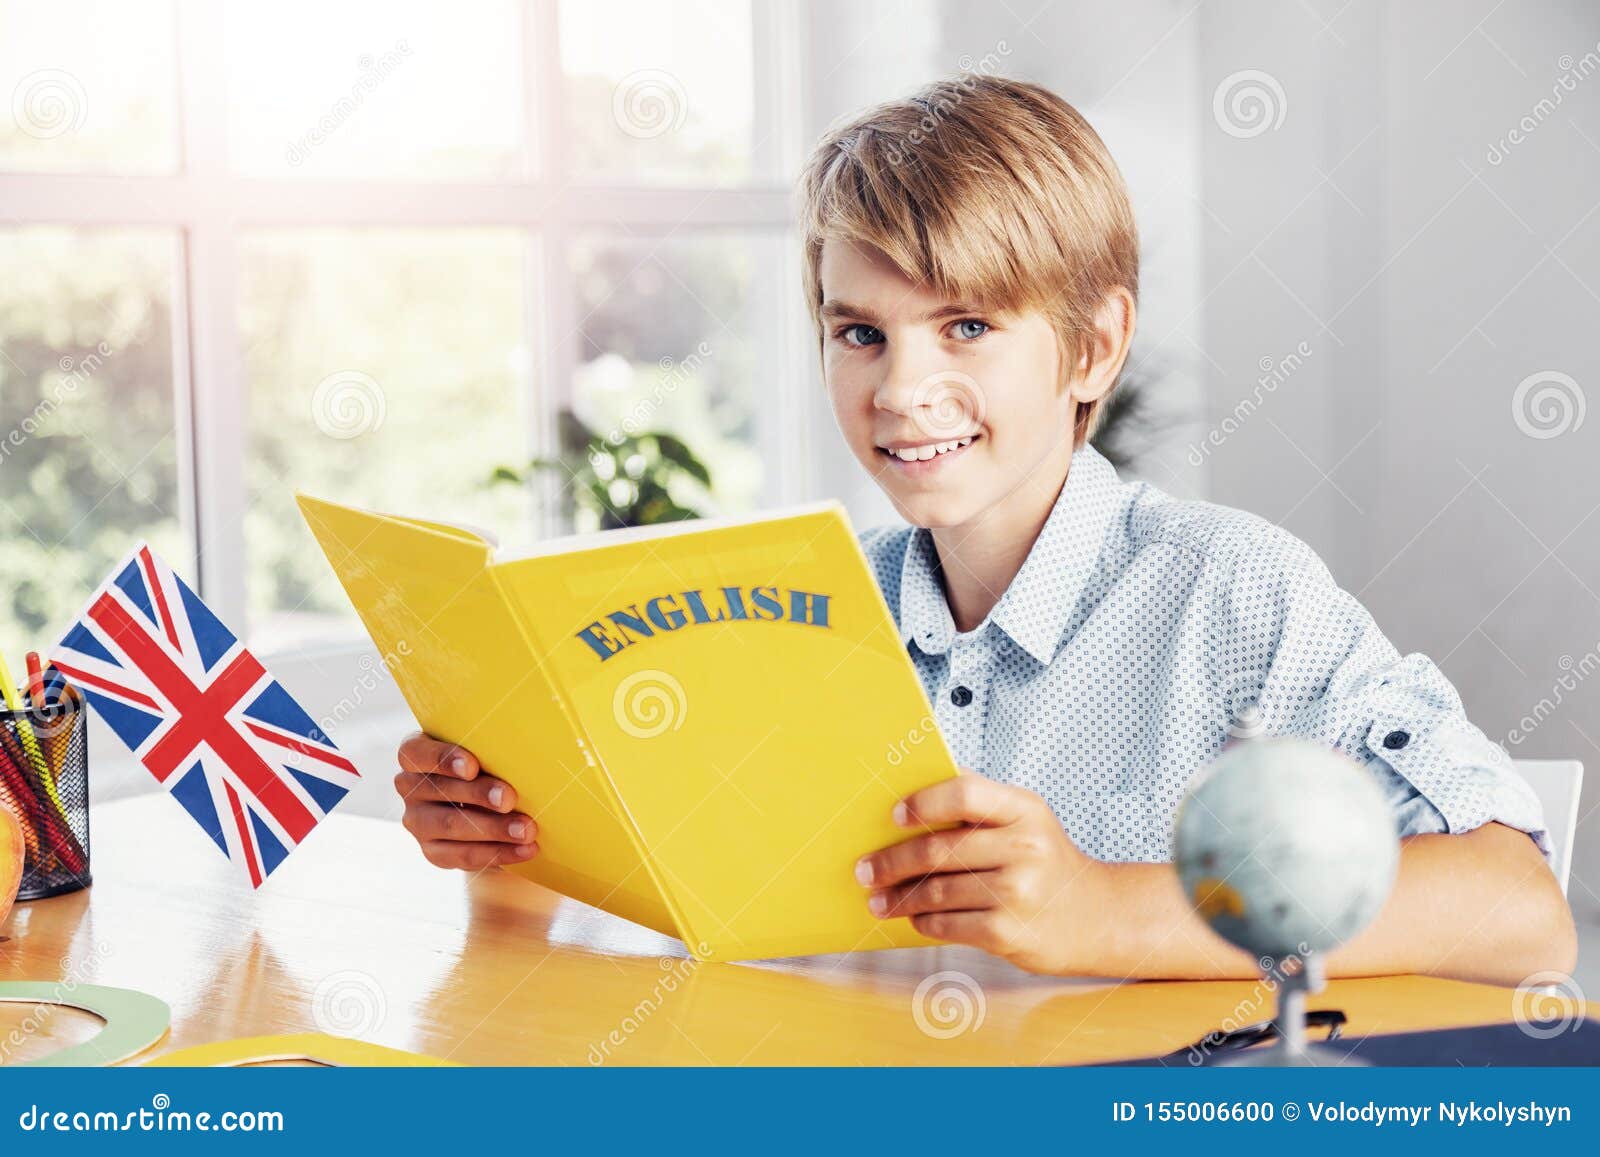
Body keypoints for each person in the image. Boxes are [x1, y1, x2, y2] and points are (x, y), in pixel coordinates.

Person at [392, 77, 1575, 985]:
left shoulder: (1230, 594)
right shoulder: (793, 616)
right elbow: (656, 950)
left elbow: (1519, 909)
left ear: (1093, 348)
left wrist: (1107, 908)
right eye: (859, 333)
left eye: (963, 326)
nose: (902, 389)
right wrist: (515, 857)